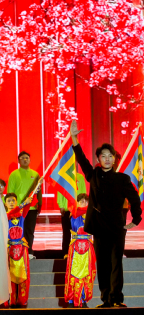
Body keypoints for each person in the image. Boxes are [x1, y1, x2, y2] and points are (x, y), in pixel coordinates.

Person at [70, 120, 142, 308]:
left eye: (110, 156)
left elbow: (135, 198)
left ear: (115, 159)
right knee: (102, 265)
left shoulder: (122, 178)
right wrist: (74, 139)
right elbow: (82, 160)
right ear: (99, 159)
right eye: (103, 156)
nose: (107, 159)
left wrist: (136, 219)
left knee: (116, 263)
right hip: (100, 227)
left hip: (117, 227)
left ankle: (116, 299)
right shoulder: (94, 175)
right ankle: (106, 300)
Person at [3, 177, 43, 307]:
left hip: (21, 250)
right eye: (9, 201)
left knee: (22, 276)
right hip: (9, 250)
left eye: (13, 200)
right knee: (9, 276)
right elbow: (10, 214)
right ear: (5, 204)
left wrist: (37, 187)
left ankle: (21, 300)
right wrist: (22, 204)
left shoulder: (21, 214)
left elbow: (29, 202)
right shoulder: (3, 215)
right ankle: (11, 300)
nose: (11, 202)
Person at [7, 151, 41, 259]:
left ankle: (29, 252)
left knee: (29, 231)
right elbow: (10, 192)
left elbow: (38, 192)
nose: (25, 160)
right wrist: (11, 207)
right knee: (18, 230)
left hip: (31, 208)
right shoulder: (14, 174)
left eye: (27, 158)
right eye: (22, 158)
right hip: (18, 209)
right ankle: (17, 251)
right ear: (19, 161)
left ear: (30, 160)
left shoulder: (35, 175)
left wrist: (39, 205)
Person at [65, 193, 95, 308]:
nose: (84, 203)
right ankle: (72, 299)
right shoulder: (74, 213)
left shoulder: (91, 214)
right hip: (75, 248)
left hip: (88, 248)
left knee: (87, 275)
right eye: (81, 201)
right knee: (74, 274)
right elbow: (76, 210)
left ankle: (83, 298)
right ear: (76, 203)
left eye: (86, 201)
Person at [59, 169, 87, 258]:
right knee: (66, 232)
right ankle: (66, 252)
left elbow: (84, 193)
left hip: (79, 210)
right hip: (67, 209)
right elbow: (60, 191)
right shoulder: (63, 177)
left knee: (79, 231)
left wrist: (84, 205)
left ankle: (80, 251)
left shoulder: (80, 177)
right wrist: (61, 205)